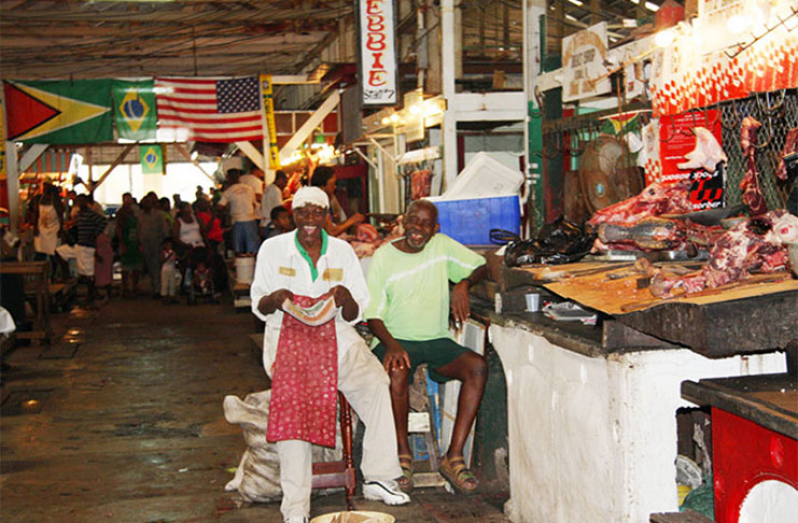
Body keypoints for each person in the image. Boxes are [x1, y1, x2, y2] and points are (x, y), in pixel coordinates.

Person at [250, 187, 410, 523]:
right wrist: (275, 298)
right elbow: (259, 305)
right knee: (293, 411)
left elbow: (355, 312)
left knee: (376, 384)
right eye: (302, 213)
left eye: (315, 213)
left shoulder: (342, 252)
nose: (309, 220)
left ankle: (380, 477)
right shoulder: (273, 249)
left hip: (336, 335)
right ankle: (295, 507)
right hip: (288, 337)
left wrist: (345, 297)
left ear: (326, 216)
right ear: (293, 216)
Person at [365, 199, 489, 494]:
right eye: (413, 220)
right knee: (397, 370)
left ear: (435, 229)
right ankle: (402, 454)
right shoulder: (383, 256)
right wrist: (392, 345)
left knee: (477, 367)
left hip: (435, 340)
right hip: (392, 338)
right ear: (403, 220)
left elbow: (483, 265)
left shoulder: (442, 246)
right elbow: (372, 315)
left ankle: (453, 456)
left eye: (425, 224)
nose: (417, 229)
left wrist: (463, 284)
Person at [56, 195, 108, 306]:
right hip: (80, 245)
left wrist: (94, 234)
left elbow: (103, 222)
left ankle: (90, 296)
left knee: (88, 272)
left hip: (87, 246)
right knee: (60, 252)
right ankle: (69, 278)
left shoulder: (91, 215)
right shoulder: (80, 215)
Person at [310, 166, 365, 237]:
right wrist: (352, 220)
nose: (335, 187)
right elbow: (331, 232)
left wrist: (349, 221)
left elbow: (333, 228)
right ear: (322, 186)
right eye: (332, 184)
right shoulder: (318, 202)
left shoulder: (320, 200)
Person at [218, 169, 259, 254]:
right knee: (252, 247)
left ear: (228, 178)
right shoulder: (249, 188)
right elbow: (254, 204)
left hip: (237, 220)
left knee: (238, 248)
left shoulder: (228, 191)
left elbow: (219, 206)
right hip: (251, 219)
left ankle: (242, 265)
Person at [137, 194, 170, 298]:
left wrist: (165, 243)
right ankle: (156, 287)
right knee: (150, 266)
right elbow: (139, 229)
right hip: (145, 243)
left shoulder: (159, 215)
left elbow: (164, 229)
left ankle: (159, 289)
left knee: (157, 265)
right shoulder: (140, 215)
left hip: (157, 242)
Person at [116, 198, 142, 297]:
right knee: (126, 268)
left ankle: (135, 287)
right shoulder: (122, 215)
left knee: (136, 267)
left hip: (135, 244)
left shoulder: (136, 214)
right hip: (126, 243)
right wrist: (122, 243)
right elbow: (119, 229)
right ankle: (125, 288)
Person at [260, 169, 288, 237]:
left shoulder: (268, 188)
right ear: (280, 179)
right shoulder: (276, 190)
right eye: (285, 182)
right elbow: (280, 211)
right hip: (272, 225)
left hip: (263, 224)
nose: (285, 185)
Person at [160, 238, 178, 304]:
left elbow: (176, 259)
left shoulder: (173, 252)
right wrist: (168, 256)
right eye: (168, 245)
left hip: (172, 269)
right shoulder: (163, 252)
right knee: (165, 284)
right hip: (165, 270)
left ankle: (172, 296)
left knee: (172, 283)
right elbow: (162, 260)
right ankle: (164, 297)